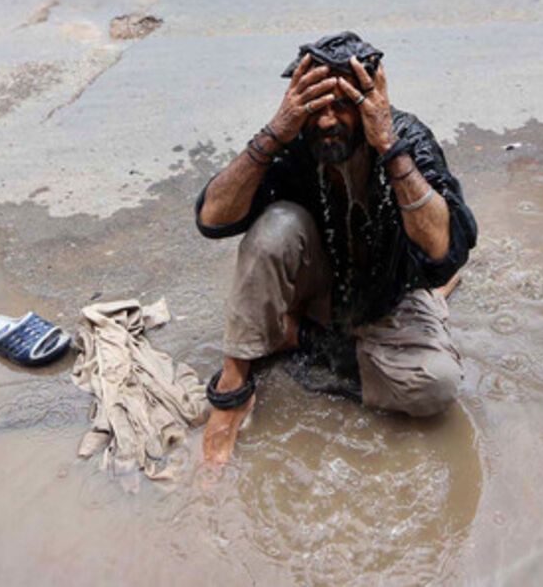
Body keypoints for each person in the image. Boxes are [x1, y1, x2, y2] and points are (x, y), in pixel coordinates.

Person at [195, 32, 477, 465]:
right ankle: (234, 385)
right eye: (316, 106)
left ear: (370, 101)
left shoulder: (406, 137)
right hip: (317, 288)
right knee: (276, 226)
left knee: (435, 386)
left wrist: (387, 145)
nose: (327, 121)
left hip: (386, 298)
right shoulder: (294, 140)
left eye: (342, 104)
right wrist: (274, 132)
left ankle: (295, 336)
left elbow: (443, 246)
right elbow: (213, 218)